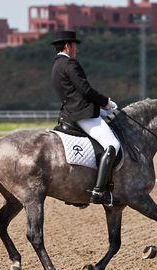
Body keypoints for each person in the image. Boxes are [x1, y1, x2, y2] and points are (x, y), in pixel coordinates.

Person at [51, 30, 121, 205]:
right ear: (68, 46)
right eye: (75, 46)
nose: (77, 49)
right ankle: (99, 192)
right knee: (113, 145)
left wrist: (101, 109)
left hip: (70, 111)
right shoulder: (70, 64)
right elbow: (86, 91)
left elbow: (75, 94)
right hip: (82, 114)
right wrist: (106, 102)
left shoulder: (56, 66)